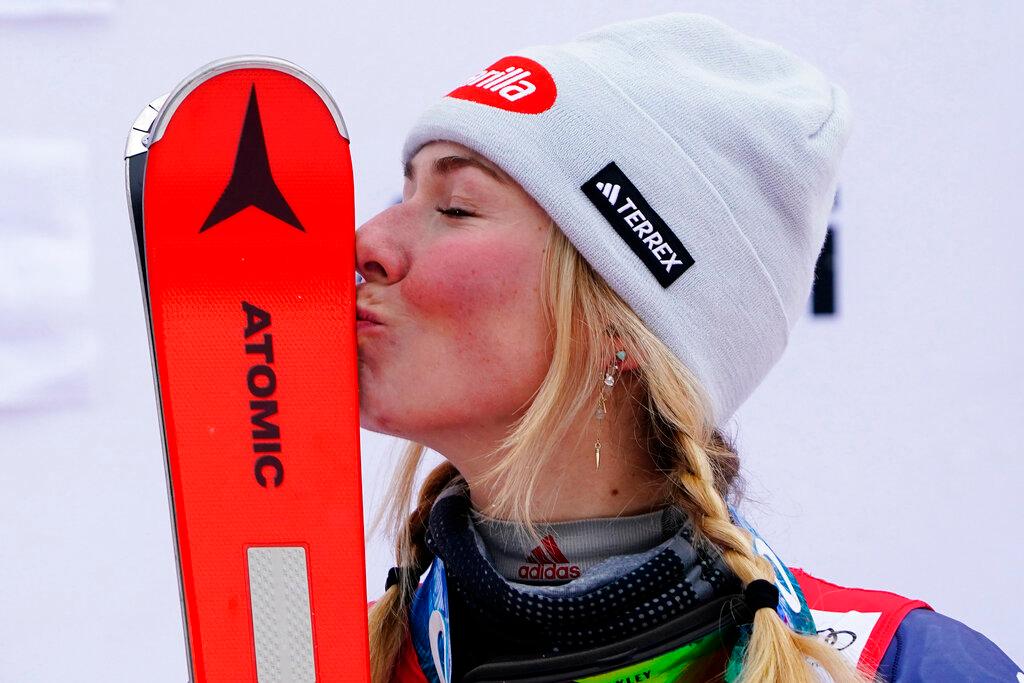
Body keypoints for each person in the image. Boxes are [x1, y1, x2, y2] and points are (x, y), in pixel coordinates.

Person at [354, 12, 1022, 683]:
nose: (367, 240)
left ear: (620, 323)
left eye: (457, 206)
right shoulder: (310, 657)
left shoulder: (909, 669)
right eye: (404, 191)